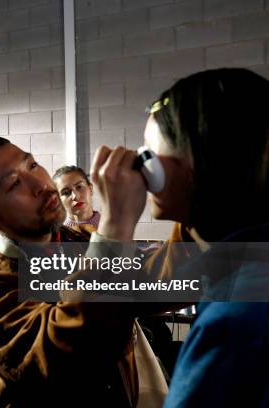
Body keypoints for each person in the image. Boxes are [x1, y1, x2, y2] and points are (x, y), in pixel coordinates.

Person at [90, 68, 269, 407]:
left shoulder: (233, 324)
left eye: (148, 155)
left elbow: (91, 323)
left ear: (199, 161)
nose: (139, 169)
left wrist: (115, 221)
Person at [0, 136, 171, 407]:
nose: (41, 185)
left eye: (32, 165)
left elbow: (168, 281)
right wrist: (114, 232)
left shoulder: (82, 240)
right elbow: (64, 357)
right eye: (13, 184)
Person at [53, 165, 100, 237]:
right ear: (58, 200)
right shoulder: (57, 237)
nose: (75, 196)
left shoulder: (113, 227)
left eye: (79, 187)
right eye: (66, 192)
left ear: (90, 189)